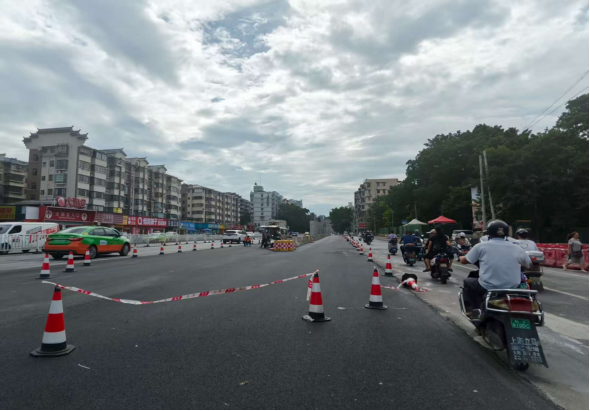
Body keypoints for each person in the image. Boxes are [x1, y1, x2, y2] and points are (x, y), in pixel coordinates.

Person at [459, 220, 531, 317]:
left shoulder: (481, 246)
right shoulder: (517, 248)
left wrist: (461, 257)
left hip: (488, 286)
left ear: (489, 233)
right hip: (512, 287)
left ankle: (473, 310)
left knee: (468, 282)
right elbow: (528, 265)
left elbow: (464, 261)